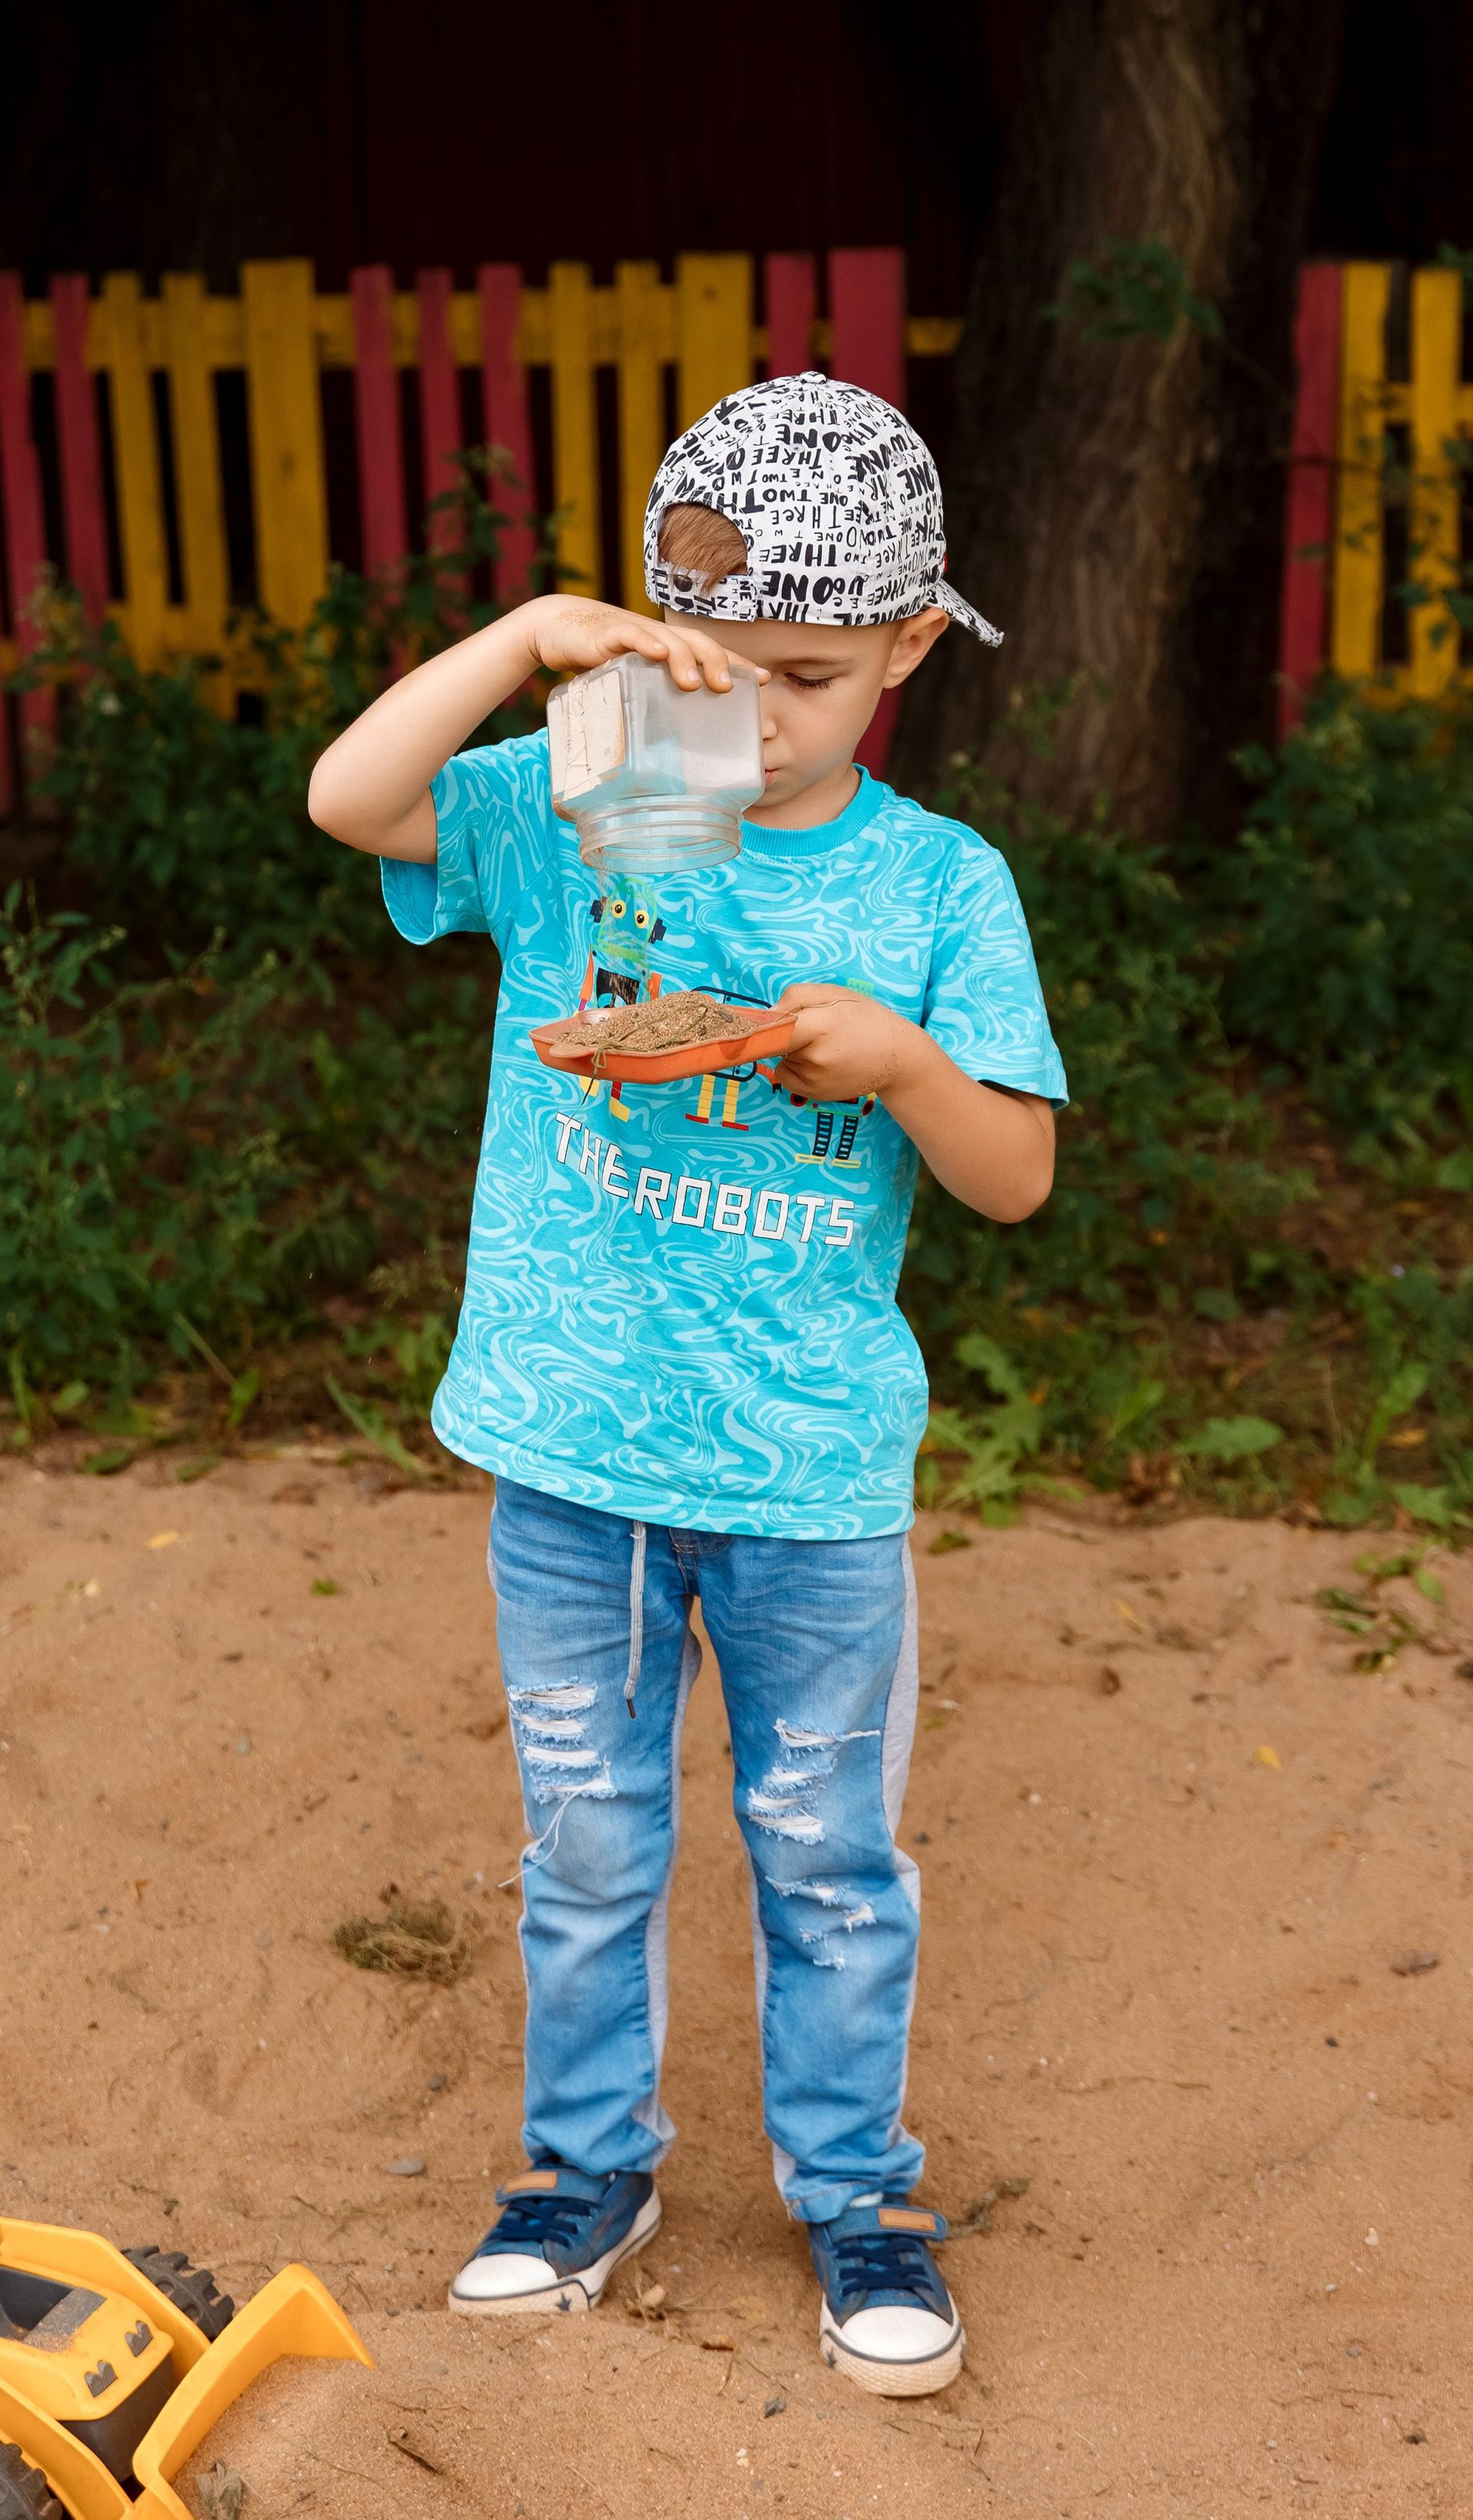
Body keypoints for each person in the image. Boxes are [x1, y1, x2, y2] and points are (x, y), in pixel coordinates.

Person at [308, 373, 1067, 2399]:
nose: (755, 715)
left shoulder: (937, 887)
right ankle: (585, 2175)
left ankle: (859, 2199)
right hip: (573, 1449)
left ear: (913, 646)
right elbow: (350, 805)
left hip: (815, 1476)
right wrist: (533, 646)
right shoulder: (587, 791)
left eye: (808, 677)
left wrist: (904, 1067)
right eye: (711, 664)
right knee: (586, 1842)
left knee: (827, 1850)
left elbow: (1014, 1176)